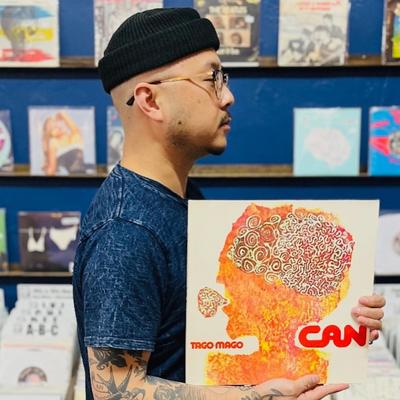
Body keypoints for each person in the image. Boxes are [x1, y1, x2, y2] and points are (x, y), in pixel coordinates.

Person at [72, 8, 385, 400]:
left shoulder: (183, 198)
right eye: (212, 79)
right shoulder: (127, 231)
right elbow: (116, 392)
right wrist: (255, 397)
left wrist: (338, 323)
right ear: (151, 100)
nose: (228, 96)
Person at [42, 111, 85, 175]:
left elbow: (75, 128)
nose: (58, 126)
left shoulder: (75, 136)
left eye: (57, 122)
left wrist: (62, 114)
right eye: (53, 127)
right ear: (51, 134)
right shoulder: (54, 143)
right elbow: (51, 170)